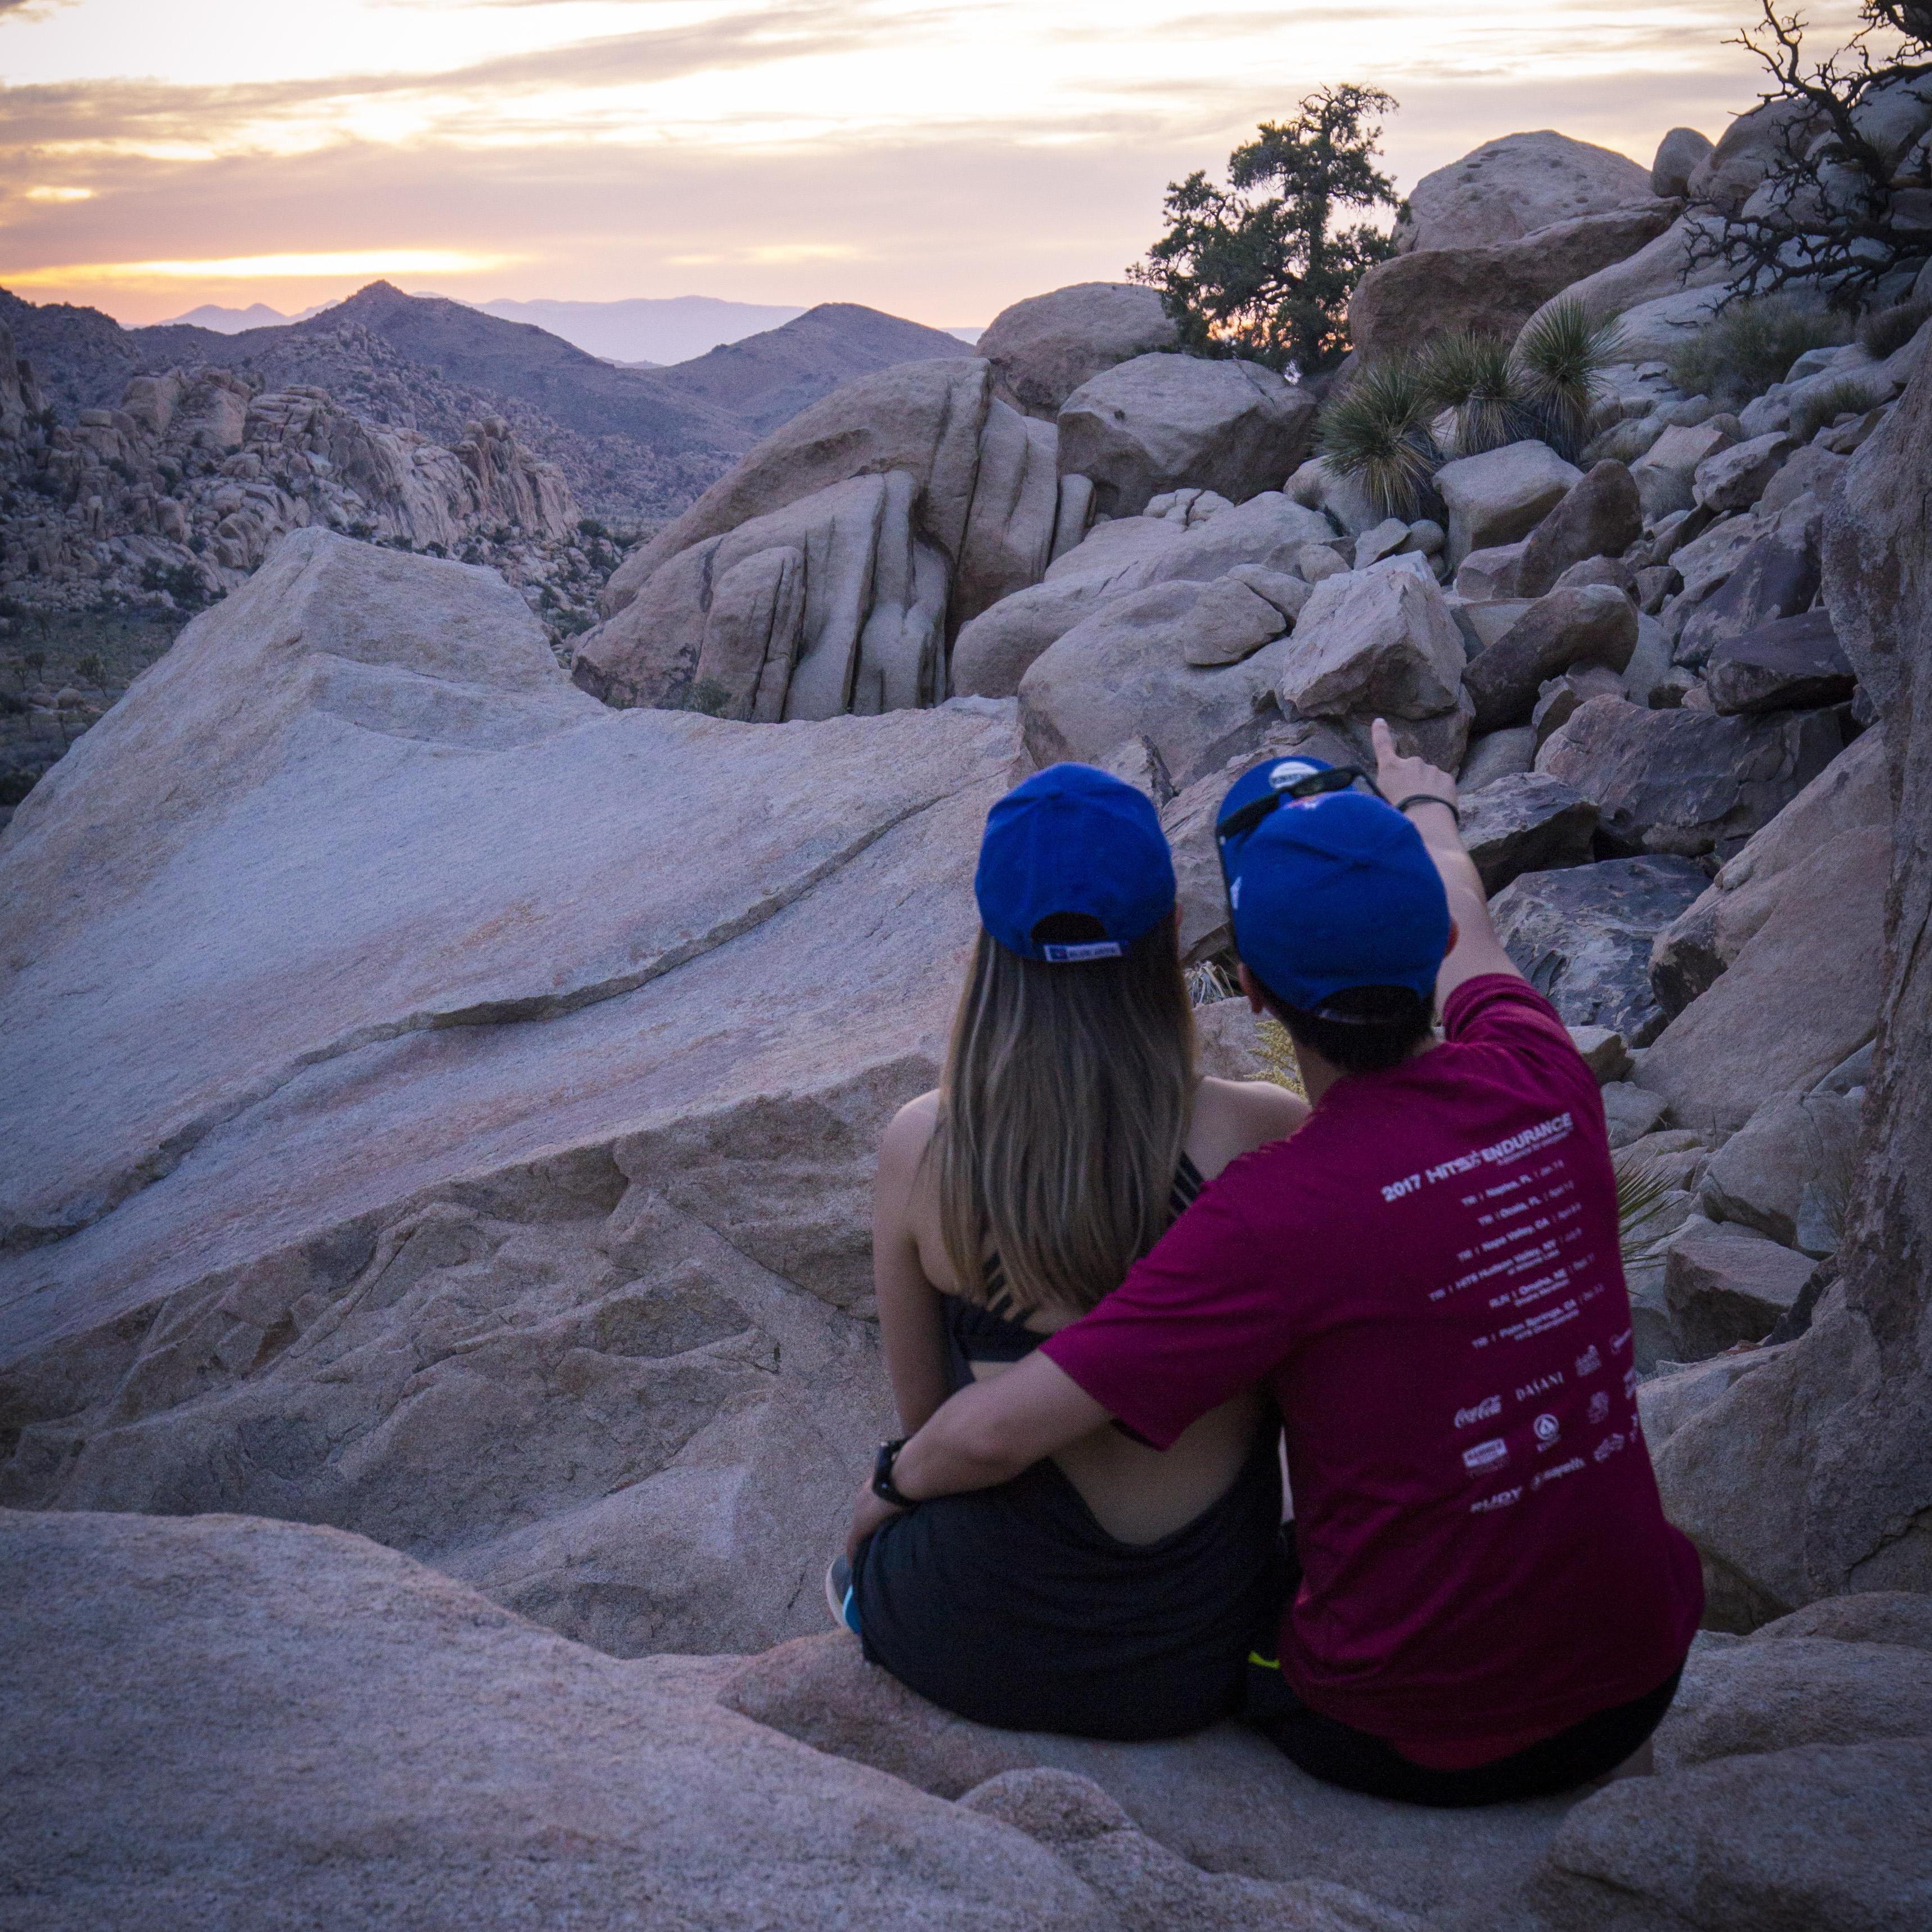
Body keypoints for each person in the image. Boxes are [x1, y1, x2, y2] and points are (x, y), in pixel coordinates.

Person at [845, 721, 1704, 1805]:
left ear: (1248, 984)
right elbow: (1472, 919)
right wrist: (1424, 805)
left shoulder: (1282, 1208)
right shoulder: (1536, 1067)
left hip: (1406, 1733)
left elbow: (982, 1428)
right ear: (1433, 945)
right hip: (1641, 1674)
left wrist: (886, 1487)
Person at [836, 760, 1307, 1741]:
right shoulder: (1263, 1136)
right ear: (1172, 937)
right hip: (1197, 1647)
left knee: (856, 1573)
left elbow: (931, 1419)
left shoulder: (924, 1148)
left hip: (975, 1637)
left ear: (989, 947)